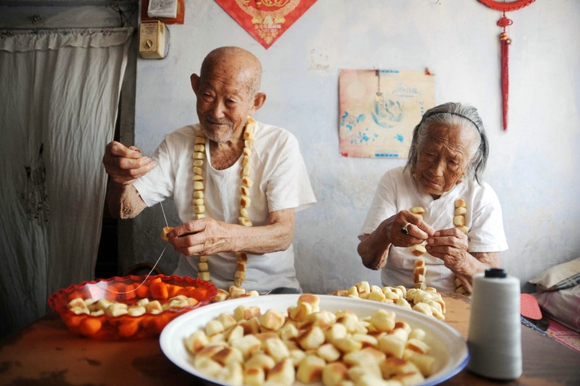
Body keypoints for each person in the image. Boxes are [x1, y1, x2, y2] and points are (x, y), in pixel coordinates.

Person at [103, 46, 316, 294]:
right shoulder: (177, 142)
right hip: (194, 289)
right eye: (207, 95)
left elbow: (282, 234)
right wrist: (120, 181)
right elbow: (125, 210)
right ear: (195, 86)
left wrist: (224, 237)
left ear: (255, 103)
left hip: (269, 290)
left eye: (231, 101)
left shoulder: (279, 144)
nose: (216, 112)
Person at [357, 102, 508, 293]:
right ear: (416, 147)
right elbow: (368, 259)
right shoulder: (394, 180)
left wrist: (462, 261)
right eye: (429, 154)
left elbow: (494, 284)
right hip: (399, 302)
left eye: (453, 161)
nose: (436, 171)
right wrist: (385, 232)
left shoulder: (481, 196)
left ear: (470, 162)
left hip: (458, 306)